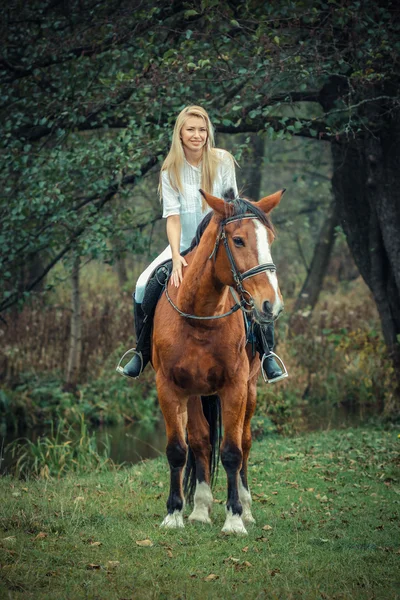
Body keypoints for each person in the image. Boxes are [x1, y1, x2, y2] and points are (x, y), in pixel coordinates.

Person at [117, 105, 286, 383]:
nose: (197, 135)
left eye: (202, 130)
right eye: (190, 130)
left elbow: (232, 205)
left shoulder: (222, 161)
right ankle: (141, 351)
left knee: (249, 285)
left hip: (220, 243)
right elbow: (172, 218)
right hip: (182, 245)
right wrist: (175, 256)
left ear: (208, 133)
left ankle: (268, 354)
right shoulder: (170, 169)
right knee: (142, 284)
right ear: (180, 134)